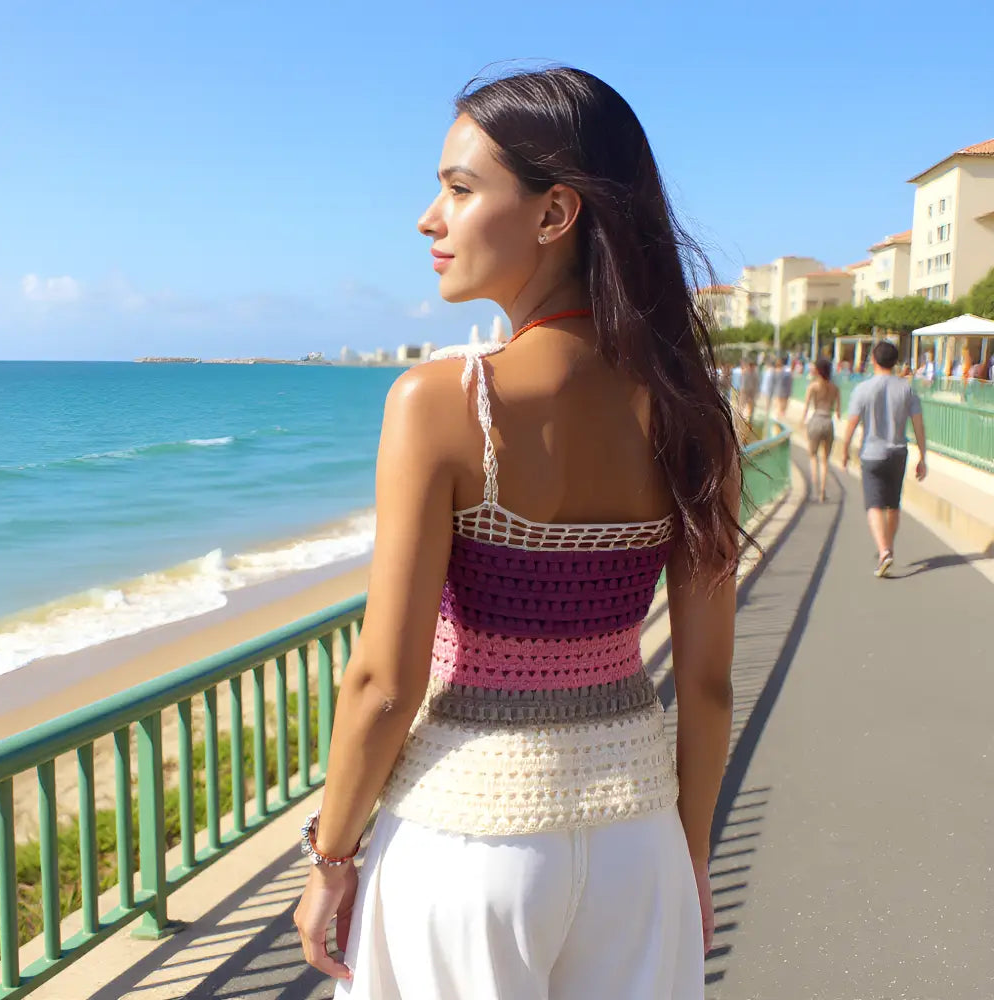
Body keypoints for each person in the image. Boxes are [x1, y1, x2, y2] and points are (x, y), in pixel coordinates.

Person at [291, 67, 742, 999]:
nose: (430, 217)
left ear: (553, 213)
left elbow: (383, 682)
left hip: (465, 843)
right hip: (639, 839)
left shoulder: (444, 402)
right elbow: (704, 687)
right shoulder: (693, 413)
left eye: (459, 189)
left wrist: (330, 855)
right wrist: (688, 858)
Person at [842, 340, 927, 577]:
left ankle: (883, 551)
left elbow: (852, 422)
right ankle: (888, 547)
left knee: (874, 504)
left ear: (873, 361)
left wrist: (844, 450)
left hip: (872, 454)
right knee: (893, 504)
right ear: (895, 361)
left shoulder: (862, 389)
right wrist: (923, 456)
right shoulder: (907, 389)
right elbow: (918, 425)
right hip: (898, 452)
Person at [801, 358, 841, 502]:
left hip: (816, 419)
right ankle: (823, 492)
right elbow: (838, 412)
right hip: (828, 421)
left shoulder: (813, 386)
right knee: (825, 460)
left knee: (813, 457)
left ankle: (815, 489)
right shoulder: (835, 388)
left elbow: (806, 407)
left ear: (817, 370)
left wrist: (802, 422)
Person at [740, 358, 759, 426]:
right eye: (750, 365)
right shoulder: (745, 372)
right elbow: (742, 383)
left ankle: (750, 420)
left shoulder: (755, 374)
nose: (751, 367)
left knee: (751, 406)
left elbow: (756, 384)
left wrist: (755, 394)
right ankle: (741, 417)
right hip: (745, 392)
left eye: (752, 366)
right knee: (742, 405)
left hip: (752, 393)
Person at [773, 355, 793, 419]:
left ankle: (779, 420)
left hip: (782, 392)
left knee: (781, 409)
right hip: (781, 392)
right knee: (780, 409)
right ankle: (779, 420)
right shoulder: (785, 370)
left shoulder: (785, 370)